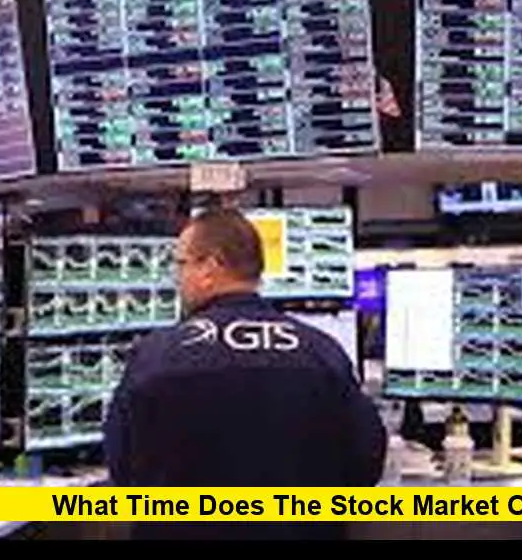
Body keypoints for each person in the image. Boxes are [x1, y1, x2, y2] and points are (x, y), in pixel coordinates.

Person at [103, 207, 386, 541]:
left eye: (181, 264)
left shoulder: (156, 357)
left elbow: (123, 470)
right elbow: (366, 465)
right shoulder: (322, 353)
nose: (177, 278)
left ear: (210, 267)